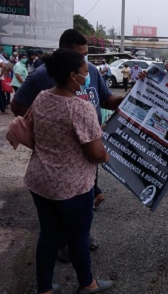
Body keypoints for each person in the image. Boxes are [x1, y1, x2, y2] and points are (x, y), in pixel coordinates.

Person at [11, 29, 124, 250]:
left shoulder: (89, 70)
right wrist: (47, 129)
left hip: (88, 153)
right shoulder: (41, 77)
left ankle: (80, 237)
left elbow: (108, 100)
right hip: (60, 161)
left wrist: (133, 97)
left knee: (85, 200)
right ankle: (69, 246)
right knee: (59, 209)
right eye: (79, 55)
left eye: (86, 54)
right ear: (64, 54)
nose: (85, 61)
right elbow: (18, 105)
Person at [25, 49, 113, 294]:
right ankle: (87, 283)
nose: (87, 77)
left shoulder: (42, 97)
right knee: (78, 237)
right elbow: (96, 153)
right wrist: (105, 153)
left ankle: (44, 289)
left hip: (40, 180)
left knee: (49, 236)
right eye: (85, 72)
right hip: (71, 187)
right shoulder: (80, 109)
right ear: (73, 76)